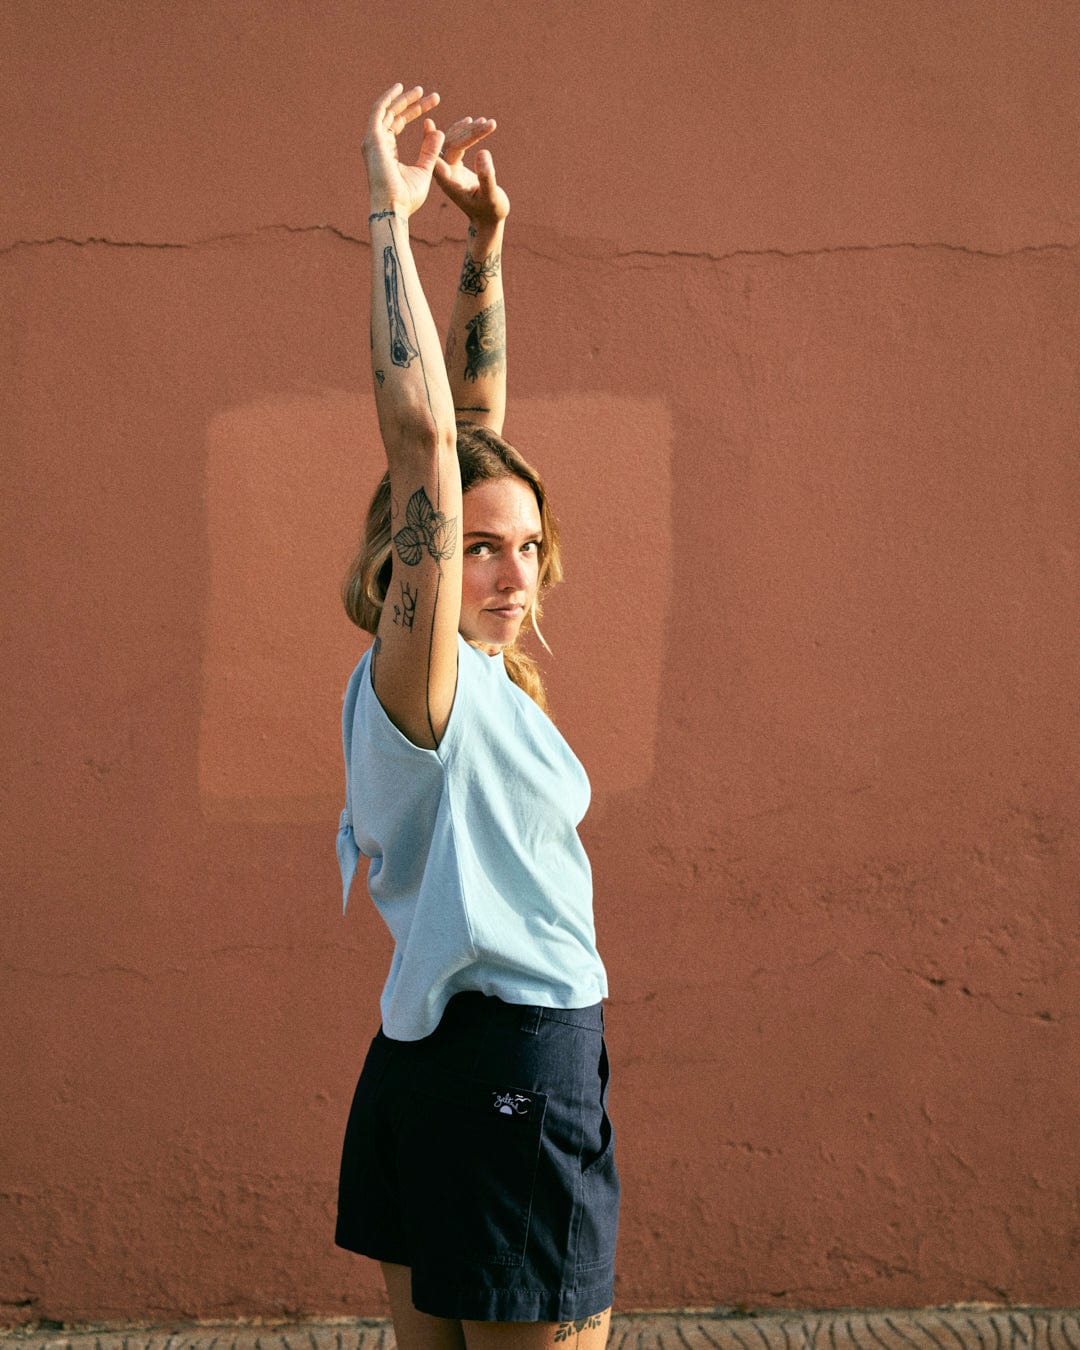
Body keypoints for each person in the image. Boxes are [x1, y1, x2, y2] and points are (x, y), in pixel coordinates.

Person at [334, 84, 619, 1350]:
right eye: (479, 551)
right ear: (420, 561)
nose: (513, 569)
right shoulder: (426, 679)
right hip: (512, 1073)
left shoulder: (465, 677)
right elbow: (427, 447)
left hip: (437, 1074)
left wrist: (483, 251)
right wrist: (388, 224)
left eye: (528, 547)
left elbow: (471, 434)